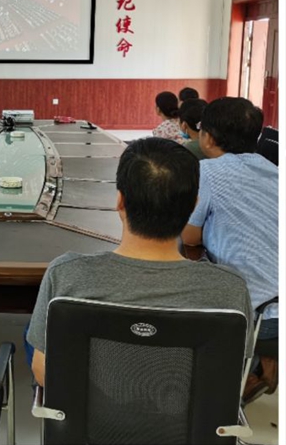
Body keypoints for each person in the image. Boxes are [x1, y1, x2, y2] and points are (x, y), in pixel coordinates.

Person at [26, 138, 254, 388]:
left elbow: (43, 372)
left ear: (120, 202)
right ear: (193, 206)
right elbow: (228, 377)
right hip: (182, 413)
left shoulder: (65, 274)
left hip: (85, 414)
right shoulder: (230, 288)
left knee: (35, 335)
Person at [181, 97, 278, 399]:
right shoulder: (278, 172)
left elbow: (189, 237)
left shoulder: (207, 172)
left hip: (256, 319)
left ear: (207, 137)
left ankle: (242, 376)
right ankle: (263, 363)